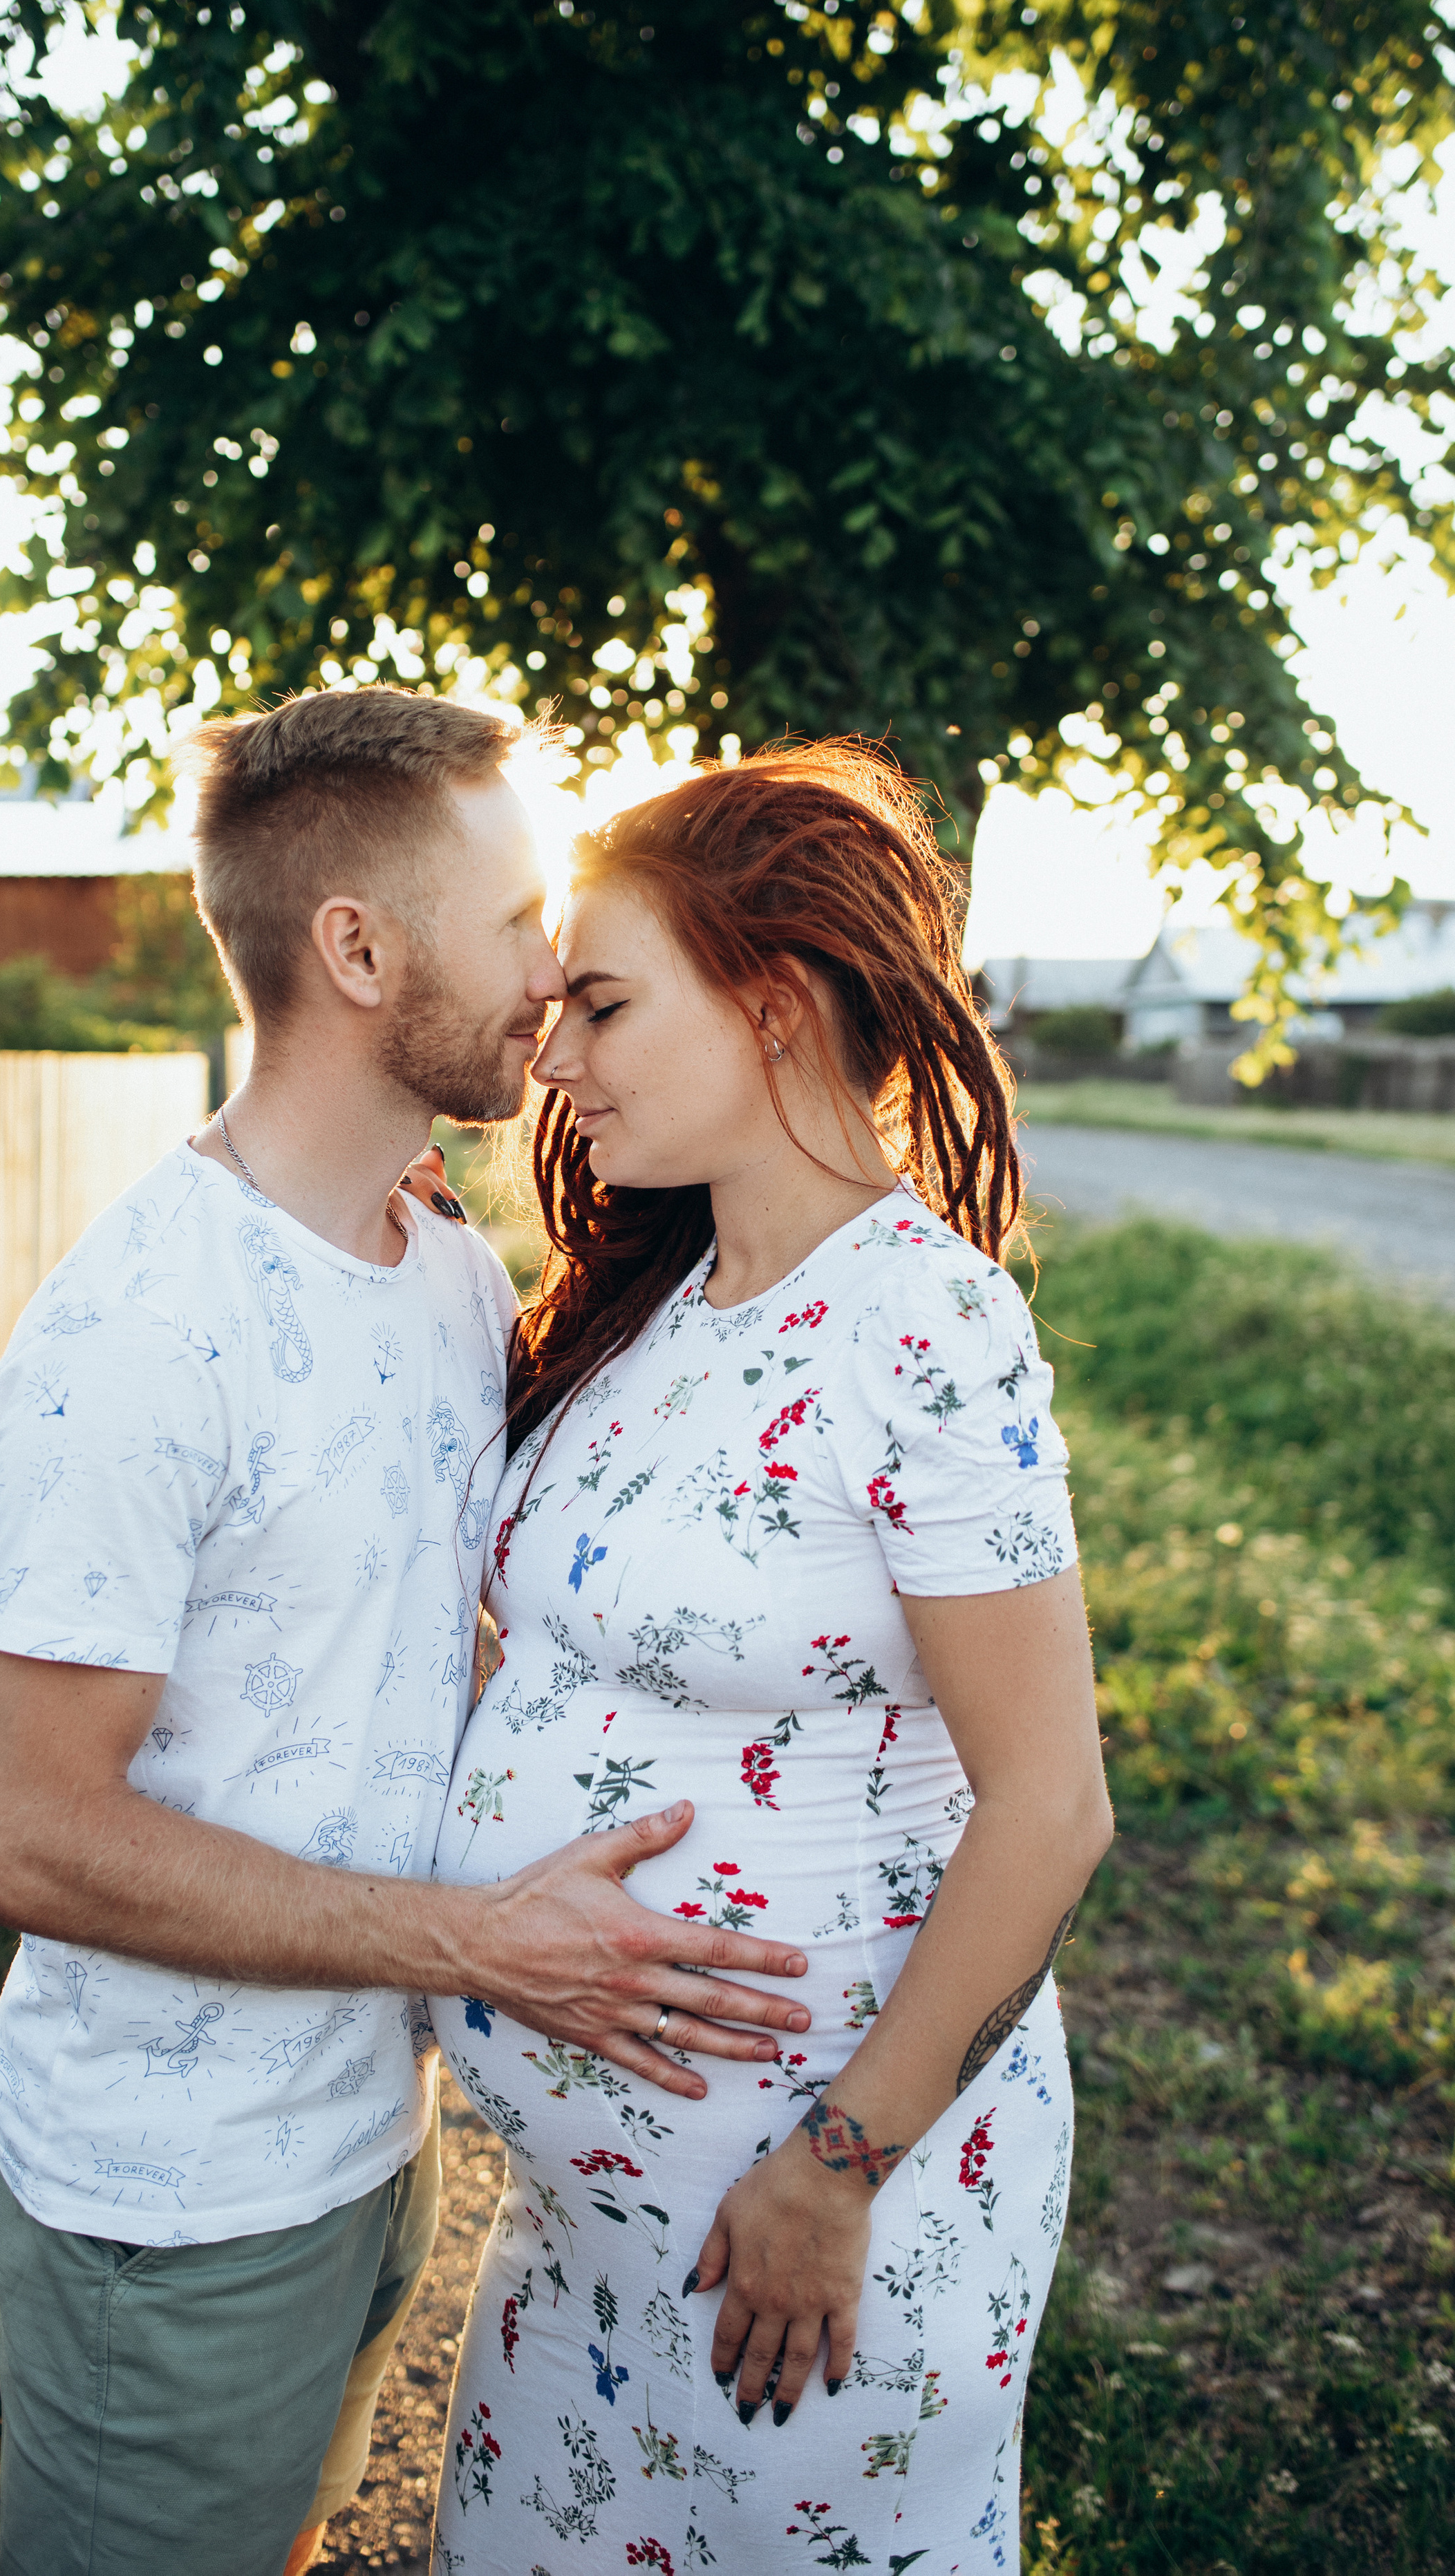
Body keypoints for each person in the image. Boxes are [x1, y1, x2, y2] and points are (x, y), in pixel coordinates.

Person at [0, 687, 814, 2576]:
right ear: (357, 947)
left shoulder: (439, 1269)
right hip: (171, 2207)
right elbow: (25, 1836)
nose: (556, 963)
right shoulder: (135, 1337)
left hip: (369, 2138)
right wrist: (481, 1941)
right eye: (517, 918)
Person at [428, 742, 1115, 2575]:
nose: (552, 1056)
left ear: (775, 1004)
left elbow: (1052, 1808)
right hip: (581, 2230)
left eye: (601, 1001)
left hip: (803, 2224)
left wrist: (836, 2169)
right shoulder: (657, 1299)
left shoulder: (928, 1326)